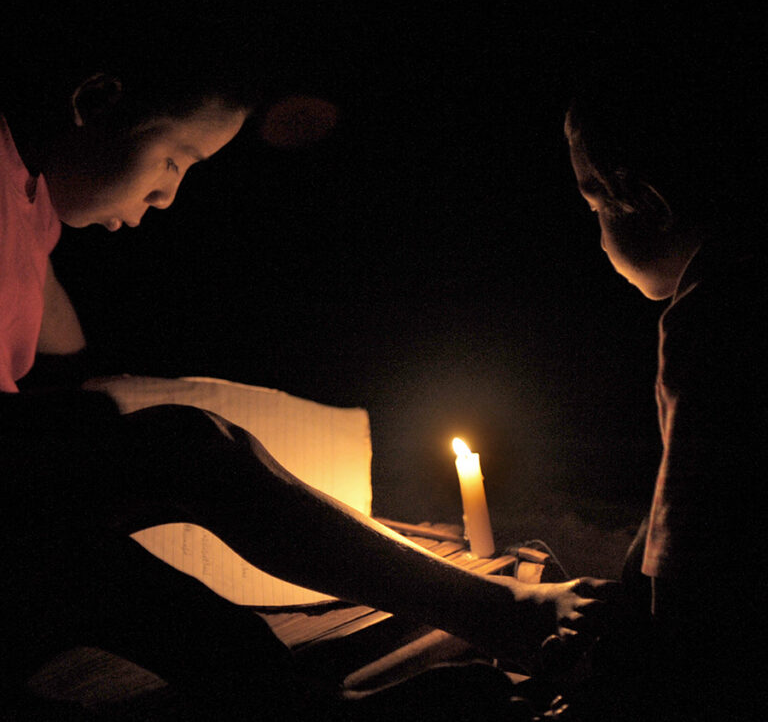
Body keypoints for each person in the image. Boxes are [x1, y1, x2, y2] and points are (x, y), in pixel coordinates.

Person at [1, 44, 614, 721]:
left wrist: (87, 401)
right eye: (175, 159)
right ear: (94, 101)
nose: (168, 196)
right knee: (188, 447)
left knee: (141, 588)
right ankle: (496, 611)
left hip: (36, 547)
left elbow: (55, 337)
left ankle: (317, 705)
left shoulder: (34, 195)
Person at [563, 38, 766, 721]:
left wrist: (627, 676)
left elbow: (695, 568)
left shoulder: (713, 318)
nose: (596, 233)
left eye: (595, 205)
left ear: (648, 202)